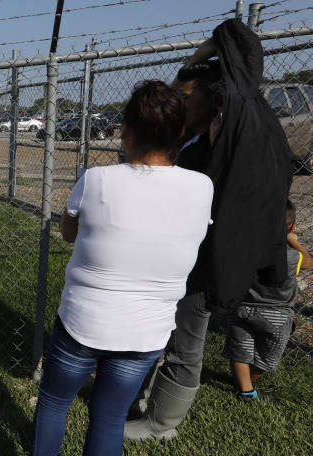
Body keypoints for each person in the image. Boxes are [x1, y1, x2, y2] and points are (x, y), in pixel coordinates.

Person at [125, 19, 293, 440]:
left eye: (186, 98)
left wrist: (204, 53)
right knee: (167, 331)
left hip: (210, 257)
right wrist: (189, 71)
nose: (179, 105)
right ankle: (143, 398)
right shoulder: (201, 138)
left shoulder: (238, 122)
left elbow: (244, 54)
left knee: (186, 337)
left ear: (215, 95)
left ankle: (162, 424)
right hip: (188, 252)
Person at [31, 80, 213, 456]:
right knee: (110, 416)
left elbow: (68, 233)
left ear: (125, 130)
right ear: (181, 132)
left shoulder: (97, 179)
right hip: (147, 330)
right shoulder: (202, 187)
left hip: (84, 321)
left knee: (53, 402)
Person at [224, 200, 311, 401]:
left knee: (239, 349)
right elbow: (307, 262)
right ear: (292, 226)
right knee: (265, 359)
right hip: (277, 316)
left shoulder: (242, 248)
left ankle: (244, 388)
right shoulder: (289, 256)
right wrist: (294, 241)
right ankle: (248, 384)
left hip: (242, 308)